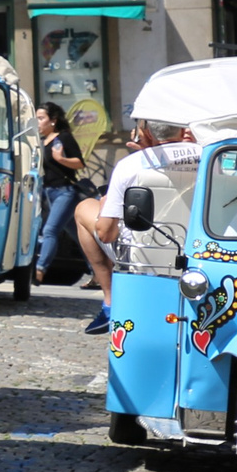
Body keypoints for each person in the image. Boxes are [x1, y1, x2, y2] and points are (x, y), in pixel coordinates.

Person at [74, 119, 195, 334]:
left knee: (84, 208)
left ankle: (110, 301)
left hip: (144, 252)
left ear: (146, 133)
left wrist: (105, 208)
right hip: (194, 249)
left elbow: (106, 233)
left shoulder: (132, 164)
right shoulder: (209, 157)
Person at [33, 101, 84, 283]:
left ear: (52, 121)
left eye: (41, 118)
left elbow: (79, 163)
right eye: (36, 118)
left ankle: (40, 269)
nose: (37, 122)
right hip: (47, 193)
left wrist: (61, 159)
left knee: (50, 230)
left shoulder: (63, 138)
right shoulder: (39, 141)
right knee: (79, 237)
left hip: (65, 192)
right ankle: (98, 270)